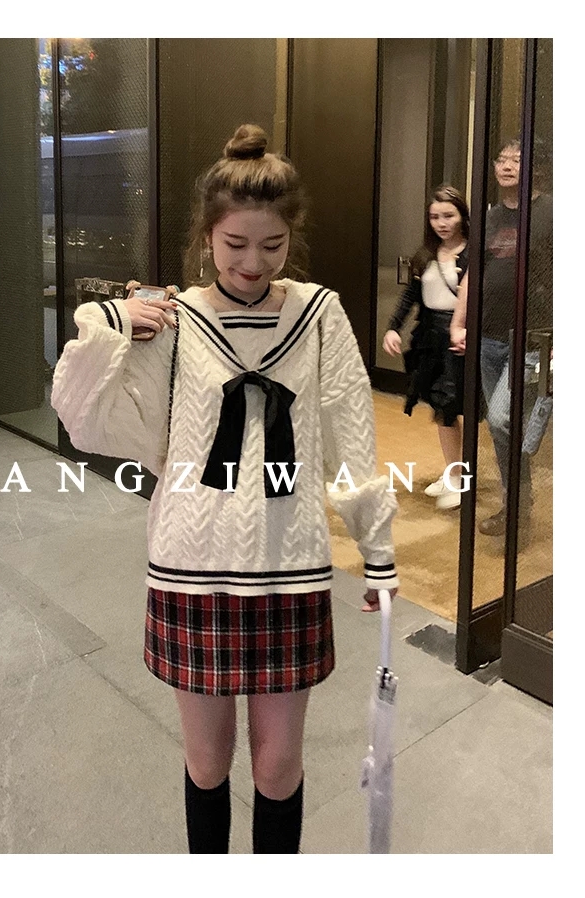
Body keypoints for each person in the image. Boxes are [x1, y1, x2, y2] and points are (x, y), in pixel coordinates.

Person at [51, 124, 399, 854]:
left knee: (277, 768)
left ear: (290, 239)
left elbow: (350, 433)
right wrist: (110, 325)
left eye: (272, 245)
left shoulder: (319, 315)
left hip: (289, 569)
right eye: (235, 244)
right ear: (207, 235)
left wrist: (377, 551)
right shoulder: (175, 322)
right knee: (207, 763)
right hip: (191, 569)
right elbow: (86, 421)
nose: (252, 263)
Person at [450, 138, 553, 536]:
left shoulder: (551, 212)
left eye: (517, 159)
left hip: (530, 338)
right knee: (500, 426)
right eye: (502, 159)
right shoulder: (490, 217)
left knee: (501, 417)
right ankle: (517, 504)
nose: (507, 165)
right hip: (488, 336)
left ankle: (518, 504)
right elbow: (472, 273)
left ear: (535, 168)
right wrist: (459, 322)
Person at [382, 186, 470, 510]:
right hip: (430, 336)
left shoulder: (472, 254)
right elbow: (411, 296)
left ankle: (458, 477)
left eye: (448, 215)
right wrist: (393, 327)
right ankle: (454, 473)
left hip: (459, 337)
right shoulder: (425, 254)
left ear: (462, 216)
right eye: (435, 217)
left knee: (450, 405)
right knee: (439, 404)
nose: (441, 223)